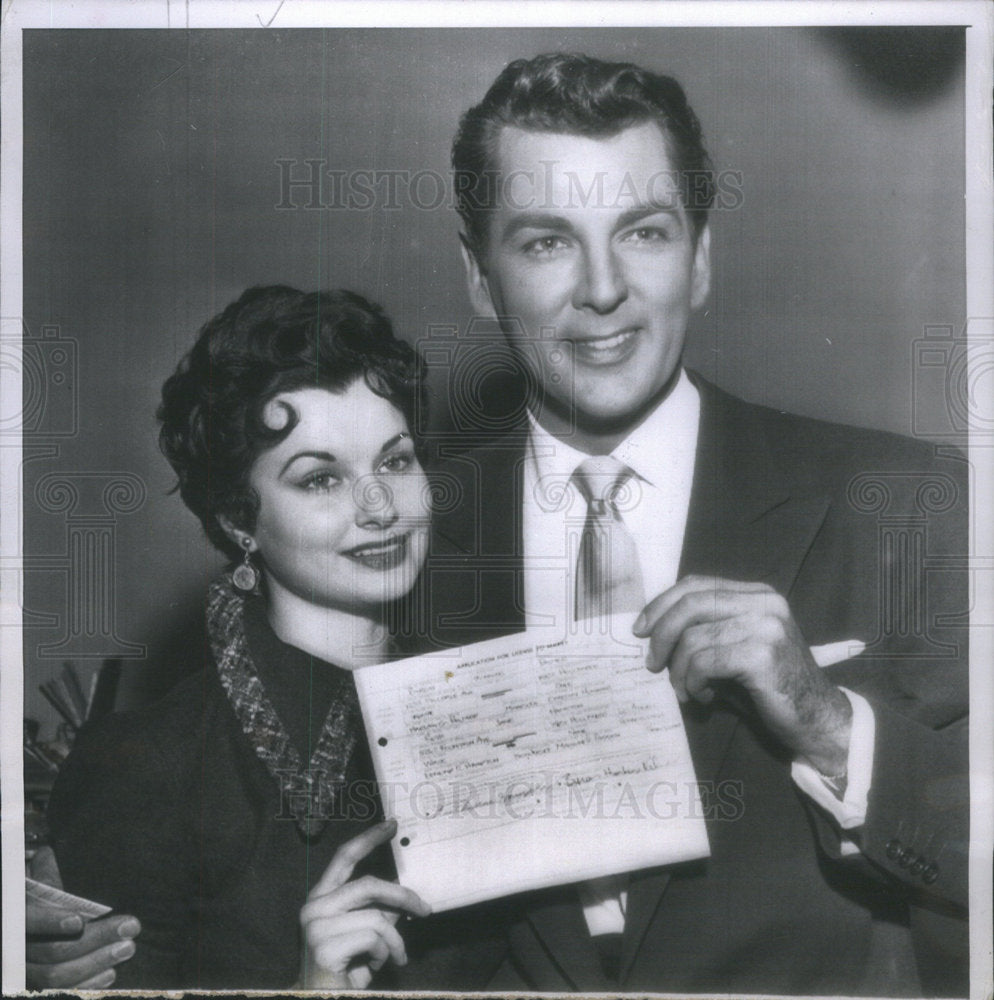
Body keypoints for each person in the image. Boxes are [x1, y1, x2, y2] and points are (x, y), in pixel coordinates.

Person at [396, 53, 969, 995]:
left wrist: (827, 724)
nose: (604, 288)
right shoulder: (401, 545)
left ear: (699, 259)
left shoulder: (902, 500)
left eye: (645, 232)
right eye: (546, 242)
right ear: (478, 277)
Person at [30, 286, 434, 989]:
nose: (379, 507)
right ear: (240, 520)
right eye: (320, 480)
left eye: (395, 462)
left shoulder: (481, 702)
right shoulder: (146, 766)